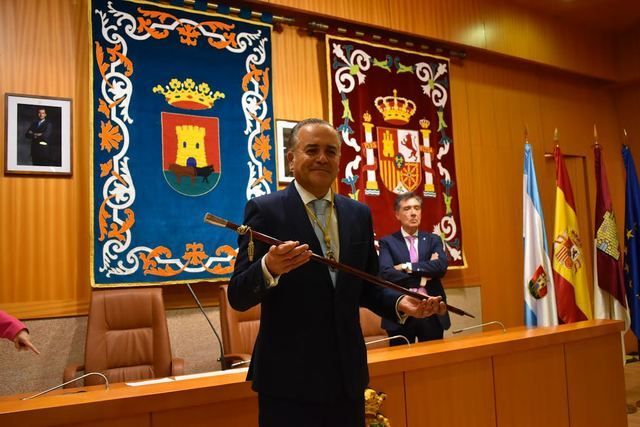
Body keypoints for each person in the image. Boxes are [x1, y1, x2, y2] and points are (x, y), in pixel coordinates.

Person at [228, 118, 446, 427]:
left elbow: (368, 286)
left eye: (331, 151)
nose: (322, 158)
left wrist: (401, 304)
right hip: (288, 381)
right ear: (292, 158)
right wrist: (269, 267)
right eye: (311, 149)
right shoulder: (265, 210)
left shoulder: (358, 214)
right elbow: (237, 294)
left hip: (348, 377)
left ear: (339, 160)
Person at [378, 192, 451, 345]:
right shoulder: (387, 242)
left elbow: (440, 267)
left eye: (417, 208)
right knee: (402, 363)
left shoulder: (433, 240)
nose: (413, 213)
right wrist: (423, 277)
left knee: (433, 361)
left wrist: (406, 266)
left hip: (432, 309)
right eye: (407, 209)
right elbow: (386, 273)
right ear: (397, 214)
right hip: (401, 311)